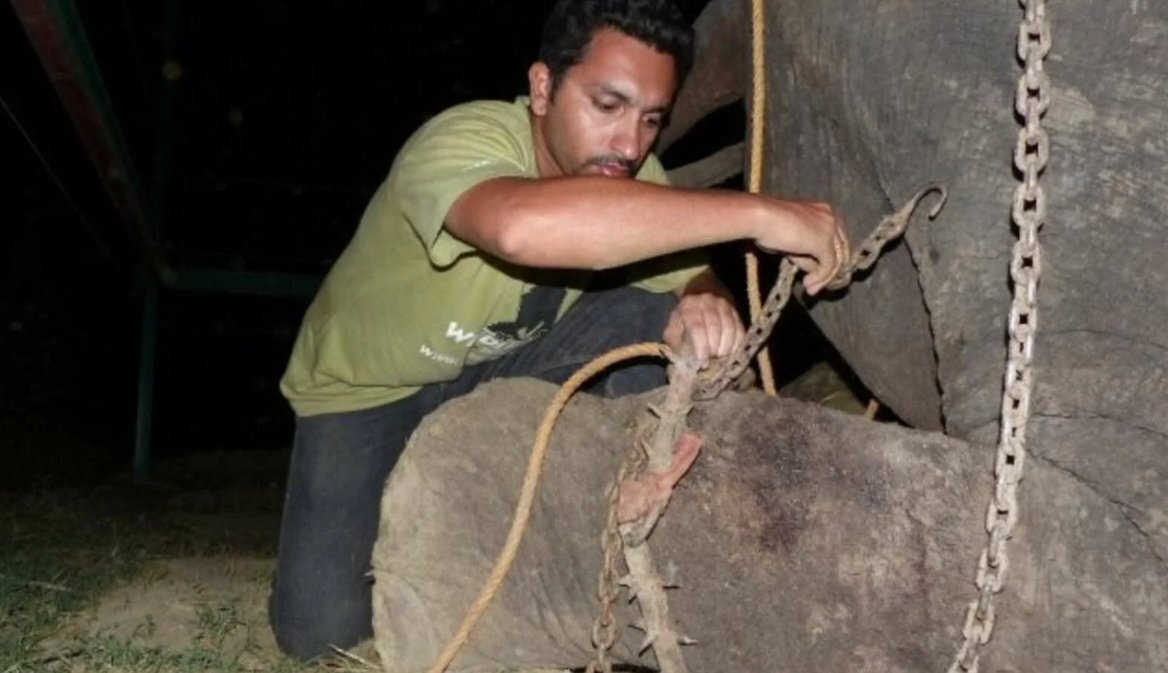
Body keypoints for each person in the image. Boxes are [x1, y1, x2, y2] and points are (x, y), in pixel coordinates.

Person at [271, 0, 848, 660]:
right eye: (608, 105)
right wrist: (761, 214)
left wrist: (703, 297)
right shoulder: (462, 139)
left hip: (507, 363)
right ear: (543, 87)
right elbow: (519, 229)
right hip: (369, 389)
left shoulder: (633, 173)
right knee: (319, 630)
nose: (629, 145)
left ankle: (634, 552)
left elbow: (689, 272)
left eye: (651, 119)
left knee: (651, 321)